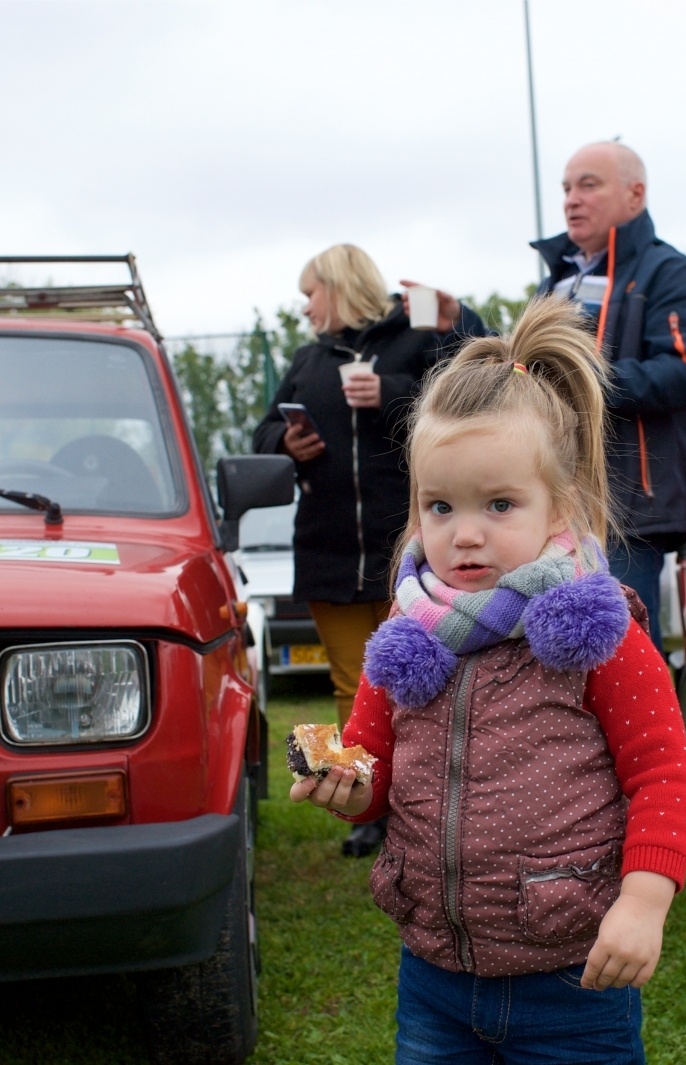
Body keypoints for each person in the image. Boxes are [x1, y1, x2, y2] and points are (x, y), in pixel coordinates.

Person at [291, 297, 686, 1063]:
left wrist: (644, 903)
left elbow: (664, 776)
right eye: (440, 506)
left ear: (559, 507)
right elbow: (373, 775)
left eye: (499, 503)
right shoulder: (403, 640)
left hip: (573, 980)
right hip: (435, 980)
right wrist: (347, 785)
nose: (465, 531)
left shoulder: (596, 633)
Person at [407, 142, 686, 652]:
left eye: (588, 184)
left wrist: (575, 379)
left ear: (635, 194)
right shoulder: (558, 279)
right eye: (567, 188)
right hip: (544, 497)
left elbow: (682, 373)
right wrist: (462, 324)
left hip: (629, 509)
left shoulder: (673, 274)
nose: (572, 199)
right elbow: (525, 370)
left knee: (620, 655)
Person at [255, 244, 483, 857]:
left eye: (311, 294)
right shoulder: (307, 360)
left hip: (405, 549)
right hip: (328, 548)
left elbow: (472, 392)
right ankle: (364, 805)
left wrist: (389, 391)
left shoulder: (415, 342)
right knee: (349, 683)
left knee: (416, 680)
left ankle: (428, 801)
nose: (305, 308)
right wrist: (287, 438)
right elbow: (263, 431)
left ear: (339, 286)